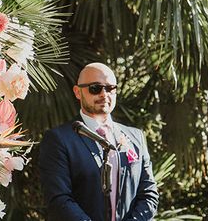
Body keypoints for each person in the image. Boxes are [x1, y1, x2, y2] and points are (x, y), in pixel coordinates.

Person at [37, 62, 158, 221]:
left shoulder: (136, 137)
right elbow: (59, 199)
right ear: (78, 92)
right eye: (95, 88)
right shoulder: (59, 139)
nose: (104, 94)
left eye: (110, 88)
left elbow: (149, 195)